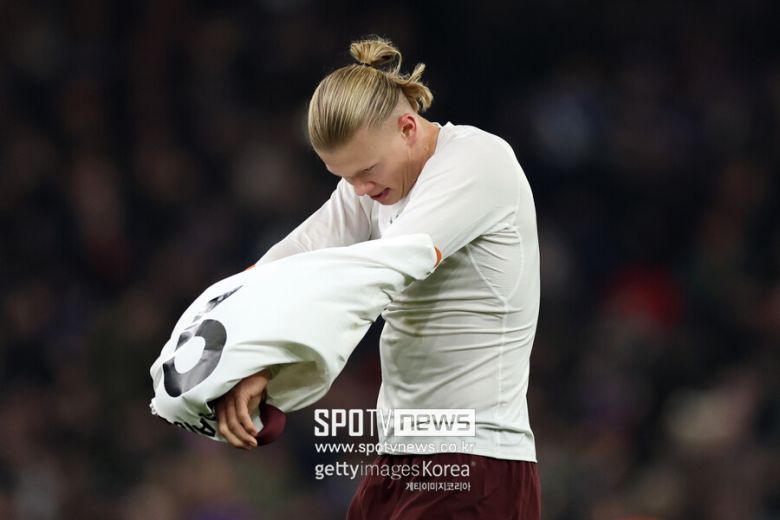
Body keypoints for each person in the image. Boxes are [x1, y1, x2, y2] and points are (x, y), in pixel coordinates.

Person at [214, 36, 541, 519]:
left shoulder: (477, 161)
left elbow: (372, 276)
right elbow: (290, 261)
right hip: (400, 455)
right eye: (345, 177)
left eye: (366, 171)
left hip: (477, 461)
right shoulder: (374, 183)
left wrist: (265, 365)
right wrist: (235, 347)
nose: (361, 189)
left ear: (407, 127)